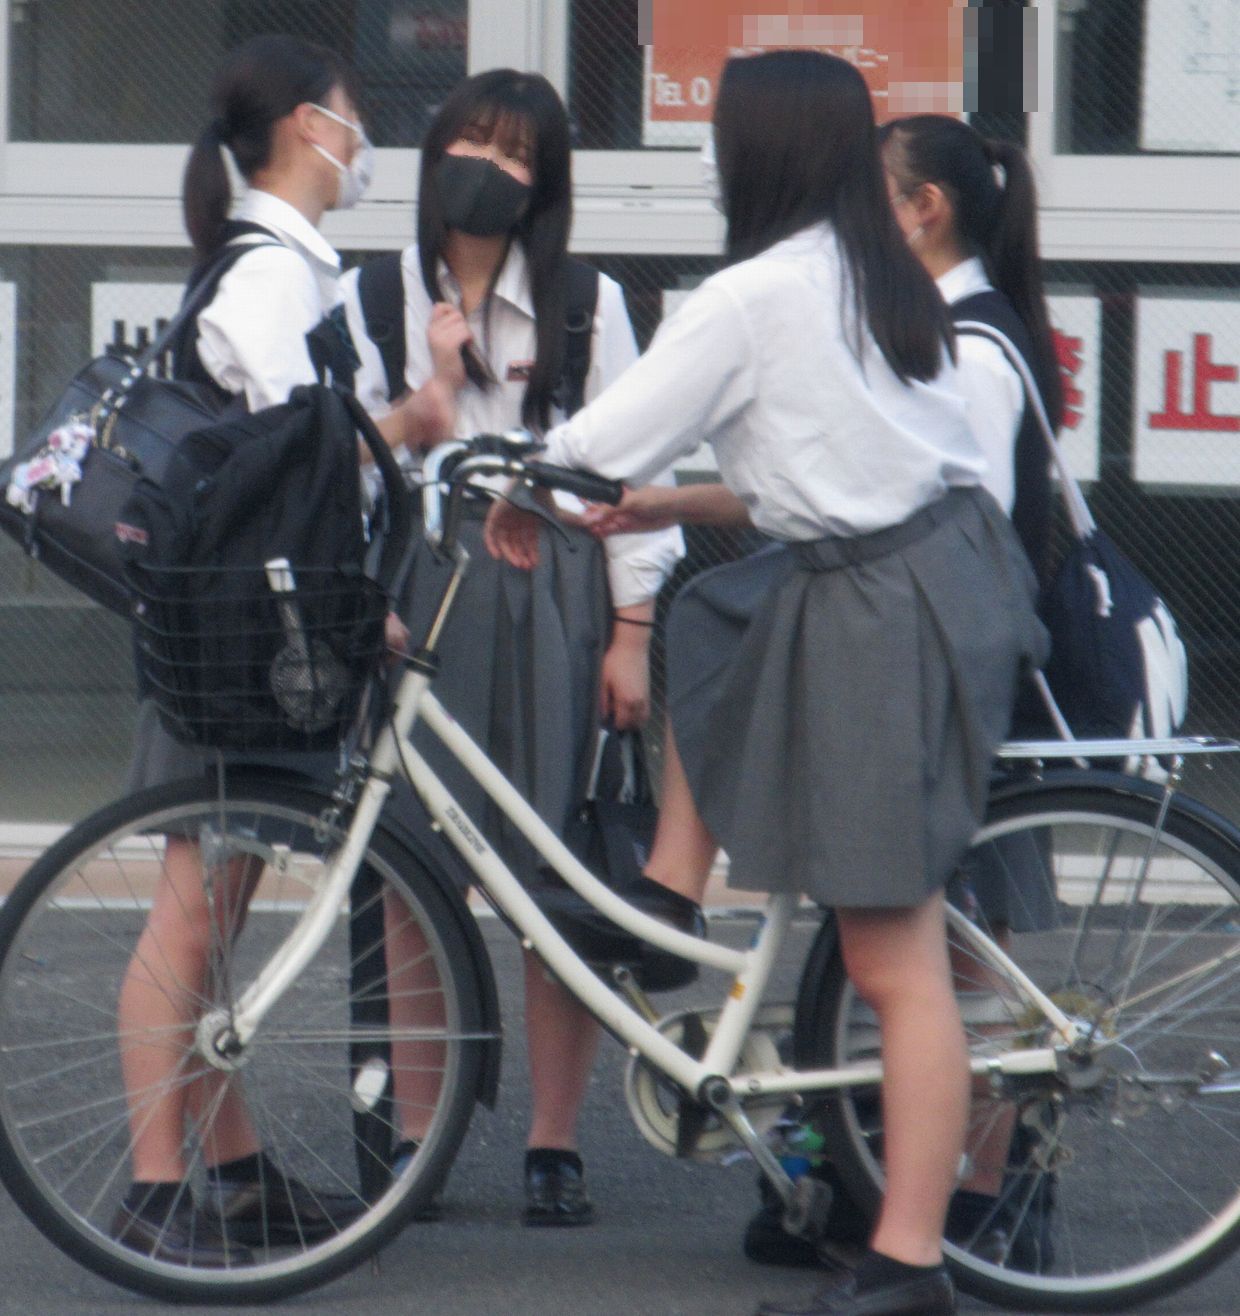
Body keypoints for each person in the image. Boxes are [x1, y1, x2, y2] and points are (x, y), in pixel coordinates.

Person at [486, 49, 1046, 1316]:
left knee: (892, 954)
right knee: (715, 615)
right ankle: (664, 892)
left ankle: (909, 1260)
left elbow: (608, 428)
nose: (705, 159)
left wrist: (513, 479)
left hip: (878, 608)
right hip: (918, 580)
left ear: (758, 150)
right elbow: (819, 459)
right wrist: (659, 501)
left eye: (717, 136)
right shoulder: (869, 275)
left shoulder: (757, 292)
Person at [112, 34, 443, 1267]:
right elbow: (288, 473)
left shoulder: (281, 265)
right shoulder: (267, 279)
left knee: (217, 922)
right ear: (313, 123)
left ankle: (238, 1174)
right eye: (357, 114)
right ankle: (153, 1192)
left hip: (248, 638)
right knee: (192, 918)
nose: (368, 140)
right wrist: (408, 423)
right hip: (240, 646)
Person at [341, 68, 683, 1226]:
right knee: (409, 877)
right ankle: (414, 1143)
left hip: (557, 593)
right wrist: (433, 380)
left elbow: (637, 475)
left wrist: (631, 633)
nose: (488, 168)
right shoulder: (370, 292)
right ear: (434, 152)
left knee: (554, 870)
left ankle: (552, 1143)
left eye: (517, 153)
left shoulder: (584, 300)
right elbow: (346, 461)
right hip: (417, 592)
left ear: (544, 185)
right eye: (472, 141)